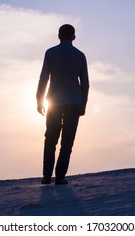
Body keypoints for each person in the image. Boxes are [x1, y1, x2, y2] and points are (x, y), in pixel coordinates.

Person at [36, 24, 89, 185]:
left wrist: (39, 99)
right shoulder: (80, 55)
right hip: (73, 101)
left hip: (54, 102)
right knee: (67, 141)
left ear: (59, 36)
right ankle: (60, 177)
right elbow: (85, 83)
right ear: (73, 37)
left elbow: (44, 78)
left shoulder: (51, 53)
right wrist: (83, 104)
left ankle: (46, 176)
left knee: (50, 139)